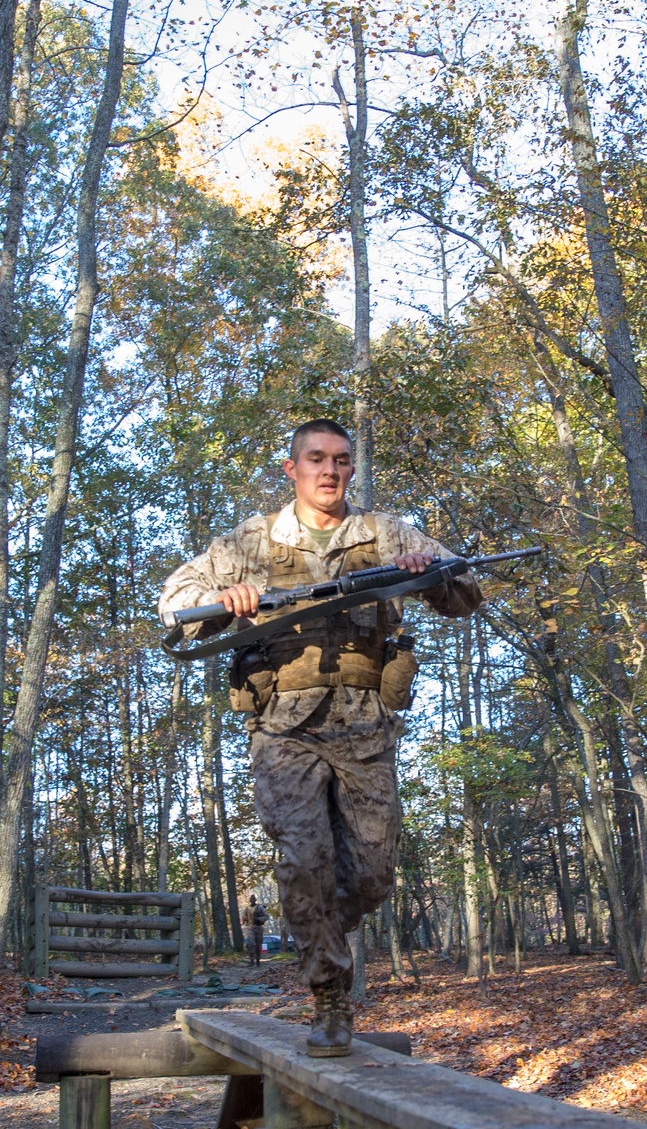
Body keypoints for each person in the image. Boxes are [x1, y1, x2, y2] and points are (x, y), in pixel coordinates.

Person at [159, 419, 482, 1056]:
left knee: (370, 877)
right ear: (293, 469)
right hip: (283, 729)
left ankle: (320, 933)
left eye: (339, 460)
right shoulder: (252, 541)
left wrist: (429, 572)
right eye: (315, 460)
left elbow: (467, 587)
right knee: (303, 864)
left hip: (366, 724)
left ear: (351, 469)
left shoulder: (384, 533)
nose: (328, 471)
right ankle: (329, 994)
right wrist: (228, 597)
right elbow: (175, 602)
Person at [242, 893, 268, 967]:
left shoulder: (260, 907)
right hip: (250, 927)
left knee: (258, 944)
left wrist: (259, 919)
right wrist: (244, 919)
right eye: (251, 899)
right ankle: (251, 960)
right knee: (251, 944)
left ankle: (258, 960)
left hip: (258, 927)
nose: (252, 900)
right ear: (250, 900)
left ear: (255, 900)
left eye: (253, 899)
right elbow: (243, 916)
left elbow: (266, 916)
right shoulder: (247, 908)